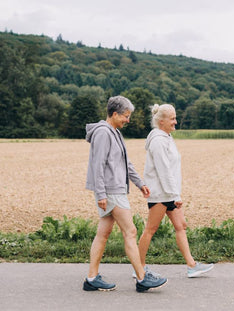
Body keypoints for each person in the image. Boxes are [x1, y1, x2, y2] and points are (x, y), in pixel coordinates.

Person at [83, 96, 167, 292]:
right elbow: (98, 165)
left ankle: (91, 278)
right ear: (114, 114)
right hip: (111, 191)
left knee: (103, 234)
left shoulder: (115, 133)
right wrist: (101, 194)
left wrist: (140, 183)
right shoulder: (104, 133)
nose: (128, 120)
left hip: (114, 190)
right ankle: (142, 278)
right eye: (126, 116)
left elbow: (125, 163)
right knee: (130, 232)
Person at [138, 104, 214, 278]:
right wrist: (175, 195)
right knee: (151, 229)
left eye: (175, 118)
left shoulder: (167, 137)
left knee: (181, 226)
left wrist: (174, 194)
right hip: (161, 194)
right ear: (161, 121)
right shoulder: (157, 141)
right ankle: (139, 267)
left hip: (169, 193)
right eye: (172, 119)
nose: (176, 122)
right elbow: (163, 170)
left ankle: (192, 265)